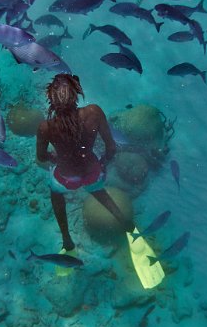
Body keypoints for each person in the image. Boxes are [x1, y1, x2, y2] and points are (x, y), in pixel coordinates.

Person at [36, 73, 135, 251]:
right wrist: (103, 163)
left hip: (67, 177)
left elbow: (41, 157)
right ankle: (125, 223)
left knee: (56, 193)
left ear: (50, 98)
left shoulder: (46, 127)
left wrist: (55, 157)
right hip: (92, 172)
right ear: (76, 93)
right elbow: (111, 148)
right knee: (97, 189)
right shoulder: (94, 112)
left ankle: (67, 240)